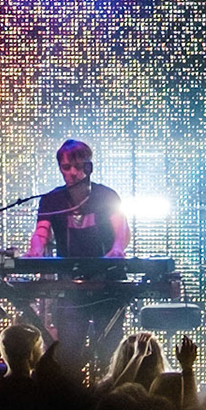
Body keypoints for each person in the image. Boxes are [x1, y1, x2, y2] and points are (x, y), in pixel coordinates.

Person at [25, 139, 131, 368]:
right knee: (68, 351)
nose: (72, 173)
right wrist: (35, 250)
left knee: (109, 351)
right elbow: (41, 232)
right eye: (66, 167)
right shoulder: (52, 199)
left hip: (107, 282)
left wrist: (116, 249)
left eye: (77, 166)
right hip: (71, 285)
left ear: (89, 167)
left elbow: (122, 230)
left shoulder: (106, 196)